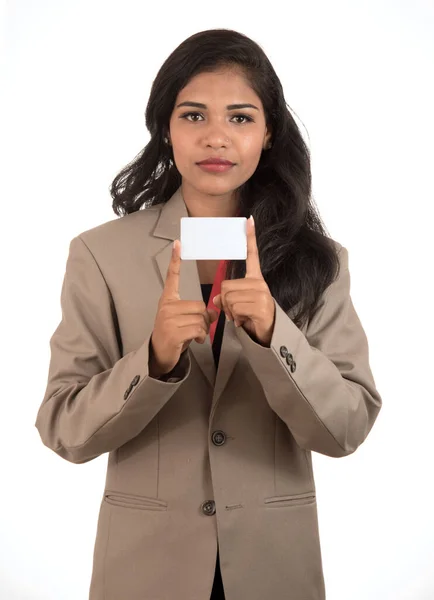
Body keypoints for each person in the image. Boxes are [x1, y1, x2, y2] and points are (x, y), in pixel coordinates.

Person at [34, 28, 383, 600]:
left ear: (269, 133)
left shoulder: (319, 261)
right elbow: (62, 427)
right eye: (193, 115)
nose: (217, 136)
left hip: (275, 570)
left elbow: (347, 427)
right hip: (146, 570)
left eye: (241, 118)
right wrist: (154, 360)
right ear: (165, 128)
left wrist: (276, 334)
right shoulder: (100, 254)